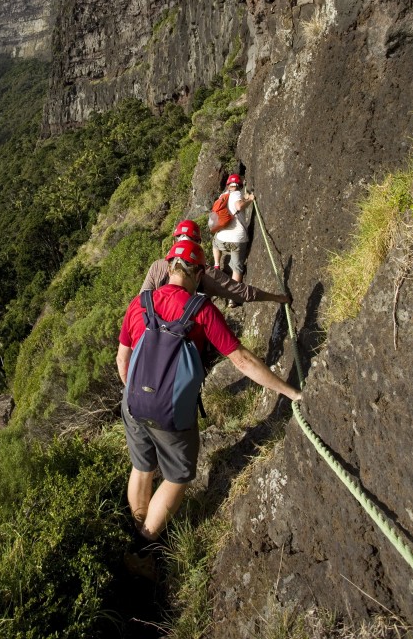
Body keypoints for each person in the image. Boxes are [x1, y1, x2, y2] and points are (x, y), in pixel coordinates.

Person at [117, 240, 302, 579]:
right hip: (169, 412)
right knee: (177, 475)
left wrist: (136, 394)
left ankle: (139, 526)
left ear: (169, 266)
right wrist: (290, 392)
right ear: (199, 273)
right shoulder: (200, 309)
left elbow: (122, 357)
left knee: (141, 467)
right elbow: (241, 360)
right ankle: (142, 546)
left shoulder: (140, 302)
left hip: (132, 402)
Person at [141, 218, 289, 307]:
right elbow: (242, 292)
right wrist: (276, 298)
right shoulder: (206, 273)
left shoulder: (157, 267)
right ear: (198, 244)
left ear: (174, 242)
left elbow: (143, 301)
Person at [211, 174, 252, 283]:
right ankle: (234, 293)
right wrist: (250, 200)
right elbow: (238, 206)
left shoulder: (223, 196)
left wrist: (244, 198)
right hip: (237, 240)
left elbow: (234, 203)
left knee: (214, 243)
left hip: (221, 240)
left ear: (228, 185)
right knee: (237, 268)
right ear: (239, 186)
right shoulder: (237, 193)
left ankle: (216, 264)